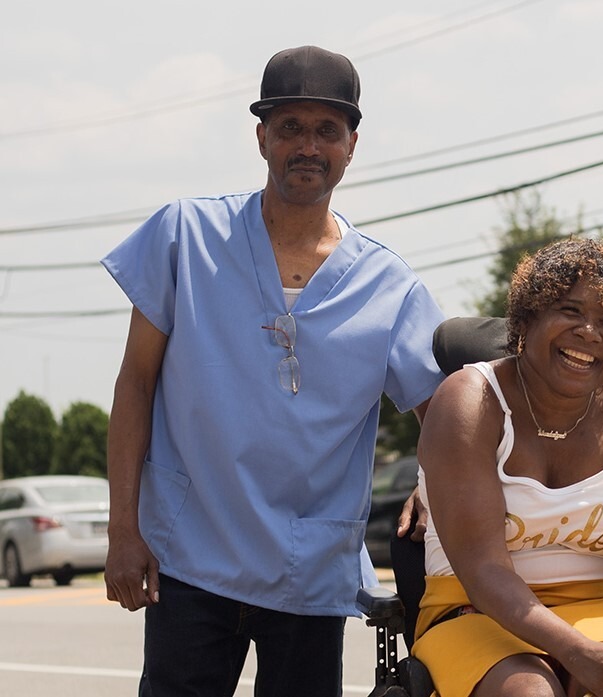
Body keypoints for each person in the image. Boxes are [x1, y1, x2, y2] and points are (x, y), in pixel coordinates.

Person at [101, 45, 446, 697]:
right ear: (262, 137)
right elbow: (135, 385)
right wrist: (124, 527)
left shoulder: (390, 287)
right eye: (290, 127)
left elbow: (446, 416)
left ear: (351, 145)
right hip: (188, 555)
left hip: (308, 571)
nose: (307, 145)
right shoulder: (185, 237)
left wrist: (431, 477)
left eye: (327, 130)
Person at [412, 238, 603, 697]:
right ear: (527, 319)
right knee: (530, 693)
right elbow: (485, 571)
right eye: (569, 311)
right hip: (476, 609)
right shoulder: (471, 401)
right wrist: (577, 653)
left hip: (599, 609)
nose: (588, 333)